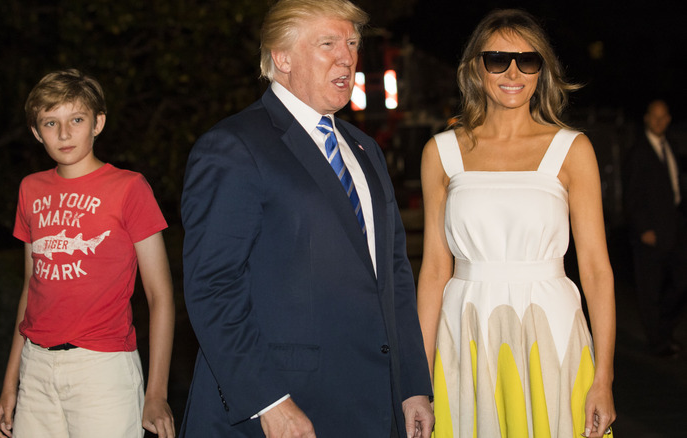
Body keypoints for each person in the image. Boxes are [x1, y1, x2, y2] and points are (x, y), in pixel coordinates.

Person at [179, 0, 434, 436]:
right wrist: (268, 401)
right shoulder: (233, 147)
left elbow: (392, 274)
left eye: (352, 43)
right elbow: (213, 287)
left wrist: (412, 384)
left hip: (372, 405)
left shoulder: (364, 150)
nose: (347, 57)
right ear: (282, 57)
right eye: (328, 43)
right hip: (281, 408)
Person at [417, 9, 616, 438]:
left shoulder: (572, 149)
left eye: (528, 60)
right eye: (497, 59)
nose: (513, 71)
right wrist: (419, 380)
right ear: (476, 67)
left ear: (542, 71)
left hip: (551, 330)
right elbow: (434, 270)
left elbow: (597, 270)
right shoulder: (441, 153)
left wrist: (604, 378)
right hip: (465, 330)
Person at [0, 69, 176, 438]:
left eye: (76, 119)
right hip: (36, 368)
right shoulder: (30, 189)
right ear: (35, 131)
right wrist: (10, 386)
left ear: (98, 123)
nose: (63, 134)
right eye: (50, 122)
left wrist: (156, 392)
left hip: (102, 369)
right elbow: (31, 288)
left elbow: (160, 295)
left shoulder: (129, 187)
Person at [623, 99, 687, 357]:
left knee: (681, 282)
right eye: (655, 117)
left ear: (668, 119)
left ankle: (665, 329)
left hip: (674, 227)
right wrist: (642, 229)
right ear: (647, 119)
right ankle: (658, 341)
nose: (660, 122)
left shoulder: (670, 144)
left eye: (664, 117)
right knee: (650, 289)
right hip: (649, 234)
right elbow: (631, 195)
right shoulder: (638, 152)